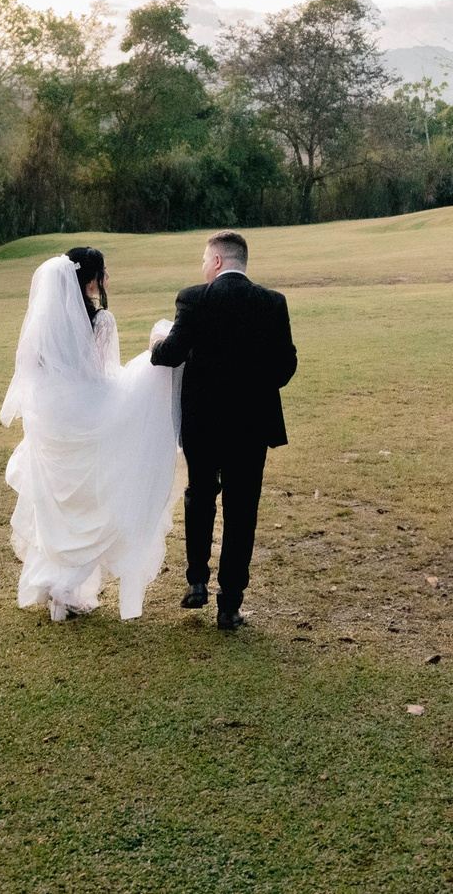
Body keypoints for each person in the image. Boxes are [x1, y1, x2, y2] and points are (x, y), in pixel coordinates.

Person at [0, 246, 183, 620]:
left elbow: (32, 372)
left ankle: (58, 587)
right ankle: (67, 587)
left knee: (57, 504)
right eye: (104, 273)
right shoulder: (102, 321)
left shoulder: (45, 322)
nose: (107, 279)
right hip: (86, 418)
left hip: (51, 423)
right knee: (89, 502)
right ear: (92, 280)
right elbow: (103, 375)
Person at [150, 230, 297, 630]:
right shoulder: (273, 302)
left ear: (217, 261)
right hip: (252, 424)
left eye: (204, 259)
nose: (202, 266)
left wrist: (155, 345)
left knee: (200, 495)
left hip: (203, 422)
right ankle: (230, 604)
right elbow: (285, 366)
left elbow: (171, 354)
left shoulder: (193, 298)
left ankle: (196, 581)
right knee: (241, 510)